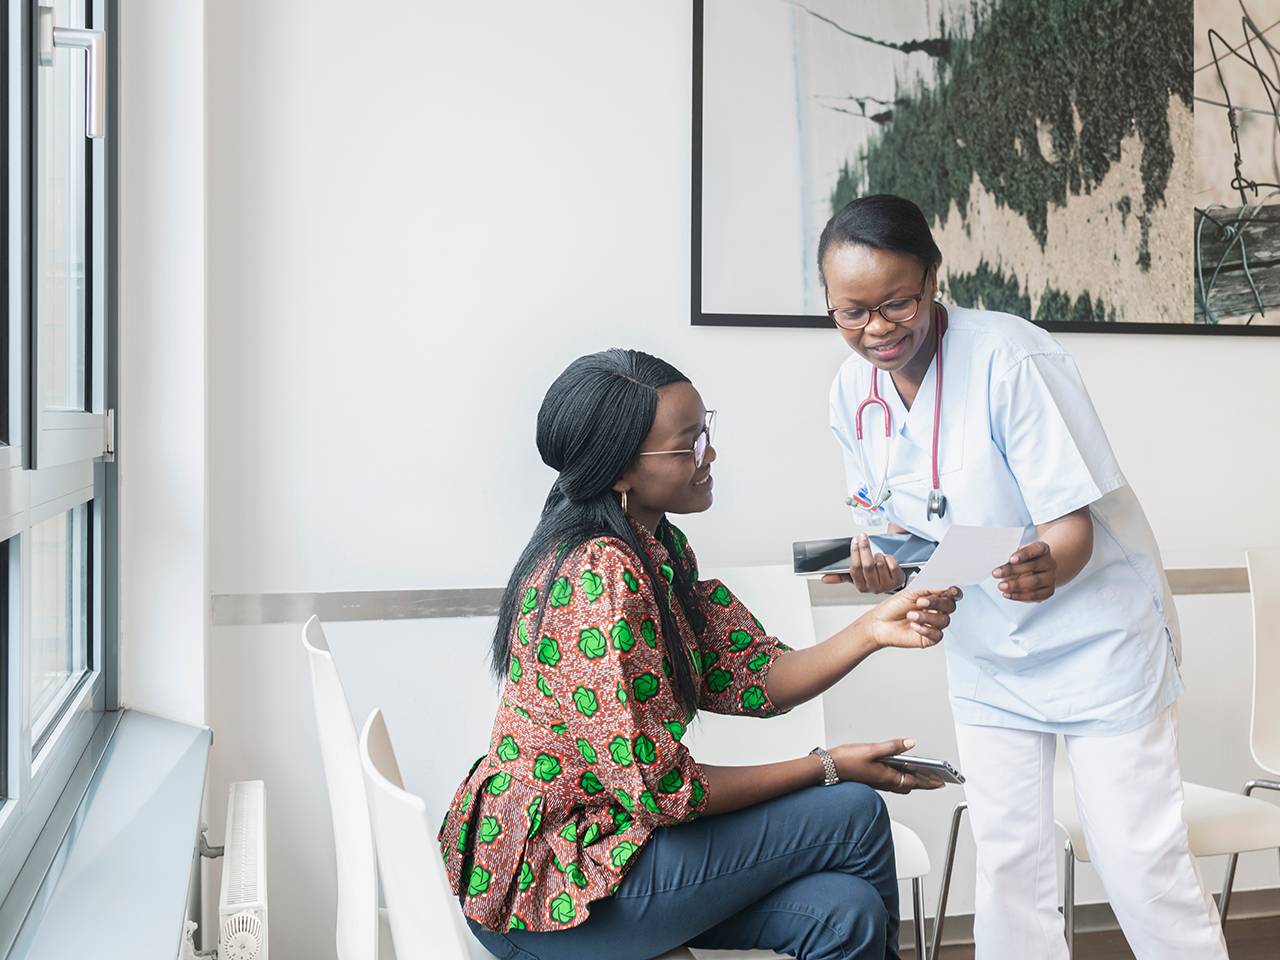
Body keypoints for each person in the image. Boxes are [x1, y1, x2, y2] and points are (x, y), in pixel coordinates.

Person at [438, 348, 961, 960]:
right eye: (687, 444)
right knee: (852, 811)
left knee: (847, 914)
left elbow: (756, 677)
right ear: (620, 471)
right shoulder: (601, 574)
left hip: (618, 851)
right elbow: (666, 792)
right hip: (559, 883)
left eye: (704, 431)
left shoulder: (655, 546)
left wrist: (873, 628)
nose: (707, 454)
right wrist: (829, 765)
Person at [820, 193, 1228, 959]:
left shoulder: (1012, 357)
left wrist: (1046, 567)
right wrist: (881, 568)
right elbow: (899, 530)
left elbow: (1068, 527)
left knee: (1137, 857)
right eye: (851, 312)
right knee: (1011, 860)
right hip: (987, 648)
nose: (876, 328)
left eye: (897, 302)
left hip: (1095, 638)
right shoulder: (852, 394)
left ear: (934, 279)